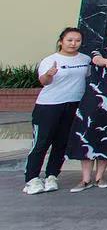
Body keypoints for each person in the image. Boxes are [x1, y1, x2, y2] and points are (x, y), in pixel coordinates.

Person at [65, 21, 107, 192]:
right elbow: (96, 59)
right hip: (92, 100)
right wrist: (105, 62)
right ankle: (85, 179)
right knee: (87, 135)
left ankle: (100, 176)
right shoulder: (99, 50)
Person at [23, 28, 90, 195]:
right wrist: (49, 74)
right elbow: (44, 81)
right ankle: (31, 179)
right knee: (41, 143)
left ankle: (52, 175)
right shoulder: (50, 60)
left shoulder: (85, 59)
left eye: (77, 40)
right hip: (49, 106)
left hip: (73, 105)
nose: (73, 43)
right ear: (61, 41)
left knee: (62, 143)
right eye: (69, 40)